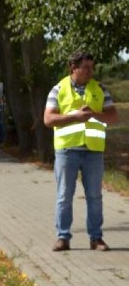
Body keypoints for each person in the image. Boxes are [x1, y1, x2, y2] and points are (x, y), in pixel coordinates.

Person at [44, 50, 119, 252]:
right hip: (67, 151)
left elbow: (113, 117)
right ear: (73, 68)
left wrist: (95, 114)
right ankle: (63, 237)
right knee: (64, 195)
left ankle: (96, 238)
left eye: (91, 68)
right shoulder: (58, 89)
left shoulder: (100, 89)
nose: (89, 71)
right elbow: (48, 119)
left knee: (94, 196)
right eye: (85, 68)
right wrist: (75, 117)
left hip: (93, 151)